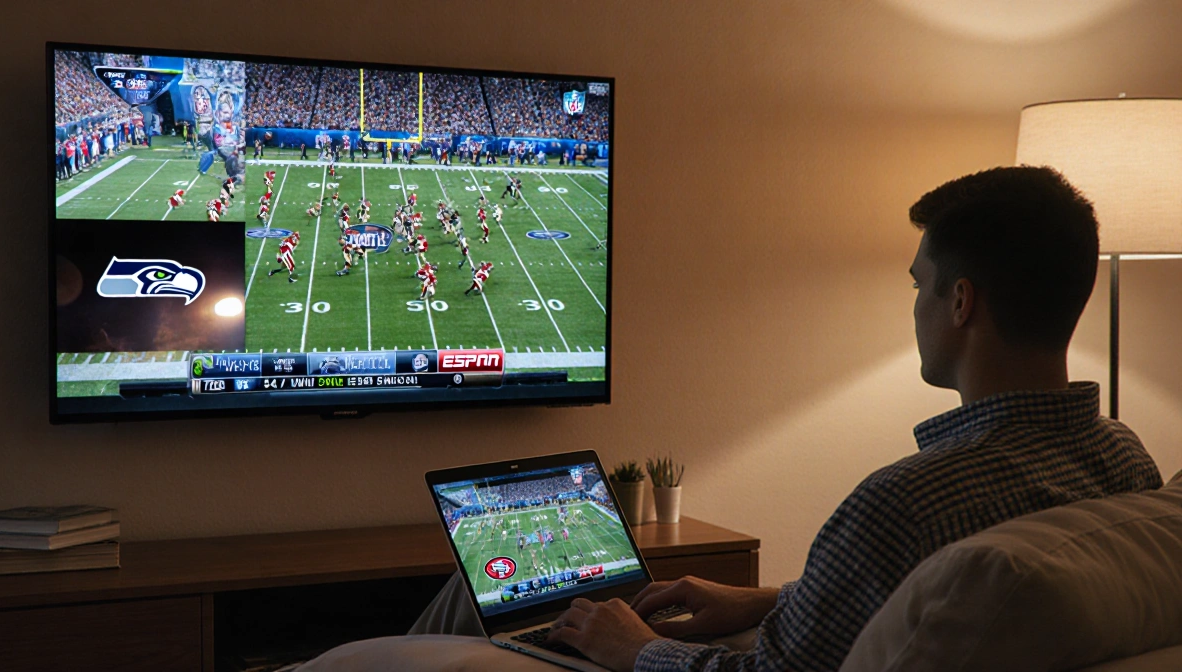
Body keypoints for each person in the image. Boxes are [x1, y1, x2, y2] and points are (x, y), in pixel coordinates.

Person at [408, 167, 1164, 672]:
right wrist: (766, 599)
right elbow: (942, 608)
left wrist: (637, 649)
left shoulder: (904, 503)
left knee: (452, 614)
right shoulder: (1127, 463)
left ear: (961, 303)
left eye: (919, 286)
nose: (915, 307)